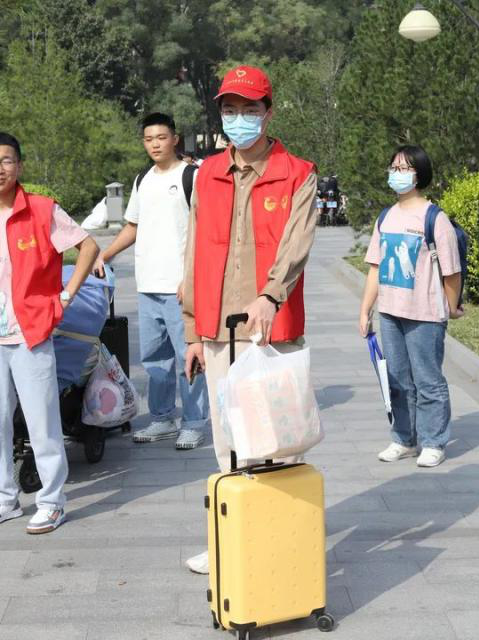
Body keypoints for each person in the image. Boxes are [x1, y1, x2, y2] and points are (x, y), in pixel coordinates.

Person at [181, 65, 319, 574]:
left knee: (277, 440)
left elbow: (297, 243)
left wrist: (270, 295)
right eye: (230, 109)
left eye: (249, 109)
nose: (239, 118)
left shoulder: (297, 172)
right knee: (228, 442)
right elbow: (193, 253)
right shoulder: (207, 175)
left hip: (271, 329)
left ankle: (282, 546)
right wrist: (192, 330)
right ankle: (232, 541)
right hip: (218, 330)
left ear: (268, 112)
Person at [0, 132, 99, 534]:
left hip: (30, 334)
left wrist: (65, 296)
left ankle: (52, 502)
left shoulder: (42, 210)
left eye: (6, 160)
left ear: (19, 166)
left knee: (42, 421)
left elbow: (89, 247)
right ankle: (3, 499)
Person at [94, 113, 209, 450]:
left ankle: (194, 422)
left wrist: (191, 277)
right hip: (148, 286)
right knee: (156, 360)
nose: (155, 144)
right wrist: (105, 254)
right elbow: (133, 225)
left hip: (180, 286)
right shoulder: (142, 179)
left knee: (189, 356)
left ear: (175, 138)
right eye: (149, 139)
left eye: (161, 137)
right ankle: (162, 419)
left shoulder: (192, 176)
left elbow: (206, 231)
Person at [358, 145, 463, 469]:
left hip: (425, 315)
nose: (397, 174)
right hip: (391, 313)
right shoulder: (386, 217)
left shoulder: (435, 218)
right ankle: (403, 439)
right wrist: (365, 309)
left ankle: (433, 441)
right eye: (394, 167)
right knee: (397, 381)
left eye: (404, 168)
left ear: (420, 174)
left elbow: (452, 272)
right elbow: (375, 267)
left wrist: (450, 306)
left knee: (428, 380)